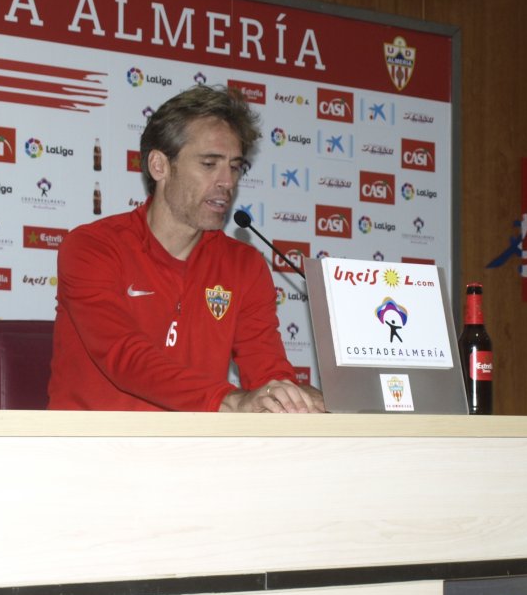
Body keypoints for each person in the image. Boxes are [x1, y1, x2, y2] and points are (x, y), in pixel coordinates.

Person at [48, 84, 324, 413]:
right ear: (159, 166)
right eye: (210, 164)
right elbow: (125, 359)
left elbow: (267, 372)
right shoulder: (92, 247)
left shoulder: (244, 265)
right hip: (93, 452)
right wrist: (231, 401)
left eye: (235, 167)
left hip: (196, 454)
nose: (227, 182)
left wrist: (290, 398)